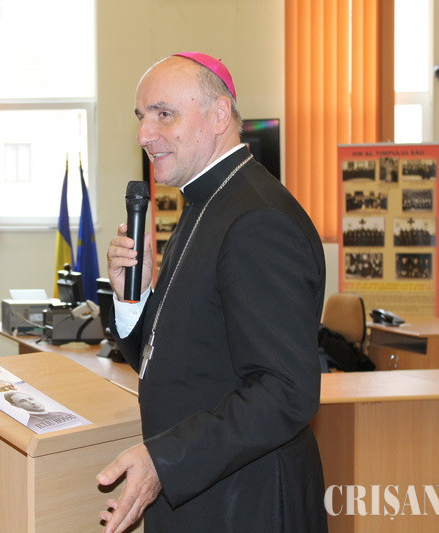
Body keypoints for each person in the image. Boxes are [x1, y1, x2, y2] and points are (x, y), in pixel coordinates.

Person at [97, 53, 327, 532]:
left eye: (164, 114)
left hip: (248, 503)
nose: (144, 135)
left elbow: (286, 391)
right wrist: (131, 299)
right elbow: (179, 366)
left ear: (219, 115)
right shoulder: (206, 202)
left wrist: (164, 461)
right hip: (209, 492)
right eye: (141, 117)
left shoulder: (257, 219)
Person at [2, 390, 79, 432]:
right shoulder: (33, 424)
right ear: (15, 405)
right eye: (23, 401)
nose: (32, 402)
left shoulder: (62, 413)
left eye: (30, 398)